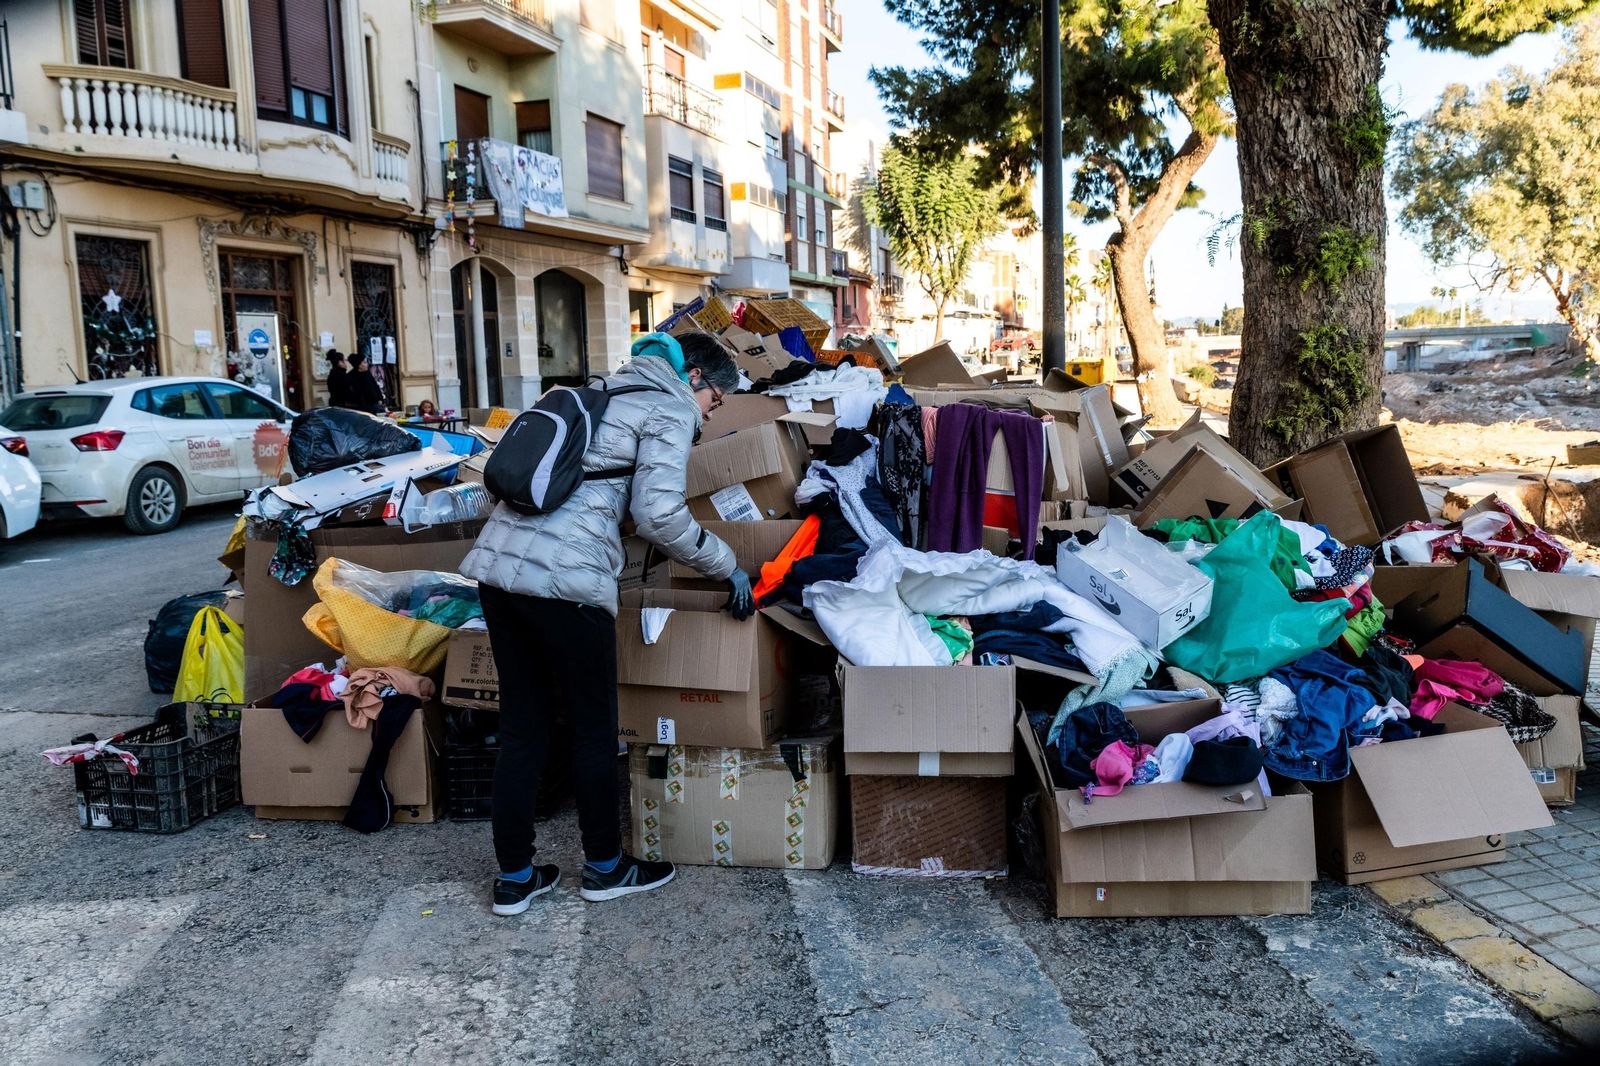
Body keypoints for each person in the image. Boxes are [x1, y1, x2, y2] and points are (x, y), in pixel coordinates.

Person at [461, 330, 753, 916]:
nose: (711, 413)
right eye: (715, 400)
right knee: (595, 730)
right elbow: (658, 513)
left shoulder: (597, 392)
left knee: (523, 728)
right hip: (568, 584)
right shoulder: (667, 406)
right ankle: (605, 867)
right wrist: (729, 567)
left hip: (499, 575)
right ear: (693, 377)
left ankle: (515, 878)